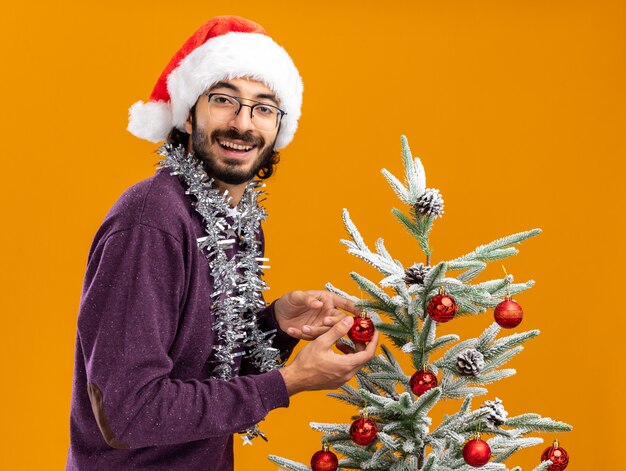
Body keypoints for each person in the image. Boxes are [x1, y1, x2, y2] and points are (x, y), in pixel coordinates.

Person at [65, 15, 378, 470]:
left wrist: (275, 324)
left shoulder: (238, 220)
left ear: (277, 129)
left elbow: (206, 376)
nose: (243, 123)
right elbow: (127, 412)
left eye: (264, 107)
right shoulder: (151, 220)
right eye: (224, 100)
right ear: (188, 114)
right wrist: (288, 381)